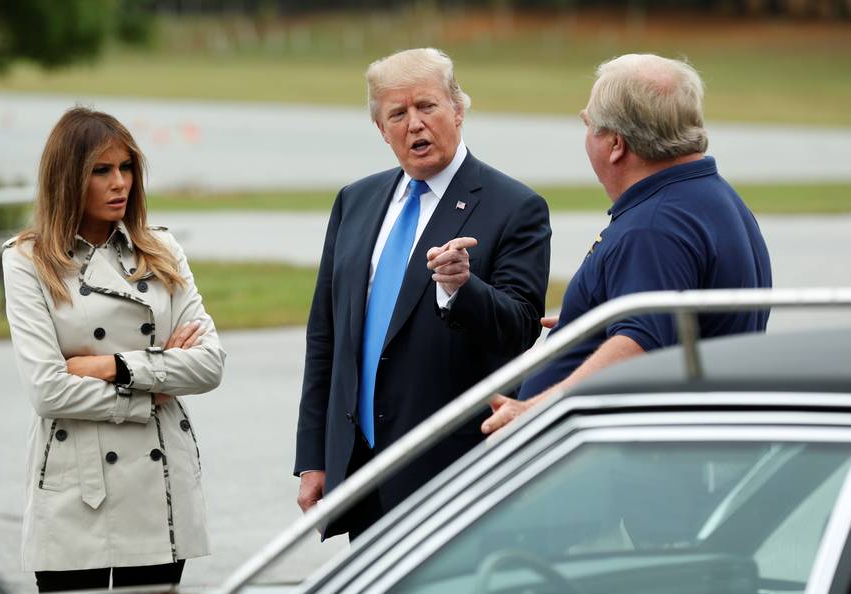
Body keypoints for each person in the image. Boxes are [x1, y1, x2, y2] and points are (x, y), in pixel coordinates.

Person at [294, 48, 551, 538]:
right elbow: (326, 336)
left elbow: (520, 328)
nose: (415, 124)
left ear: (458, 109)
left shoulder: (515, 207)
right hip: (363, 467)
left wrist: (461, 288)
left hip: (452, 467)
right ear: (381, 128)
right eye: (398, 113)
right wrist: (314, 455)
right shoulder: (355, 201)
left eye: (427, 106)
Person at [482, 53, 772, 435]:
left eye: (589, 125)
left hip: (641, 454)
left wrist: (533, 410)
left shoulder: (653, 227)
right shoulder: (710, 197)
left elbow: (640, 342)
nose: (587, 136)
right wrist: (593, 319)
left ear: (616, 144)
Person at [2, 107, 226, 591]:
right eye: (101, 171)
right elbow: (48, 391)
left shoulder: (161, 250)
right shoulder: (27, 261)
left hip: (159, 485)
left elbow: (209, 364)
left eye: (126, 167)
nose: (120, 182)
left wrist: (111, 366)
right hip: (74, 486)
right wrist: (150, 393)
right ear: (67, 178)